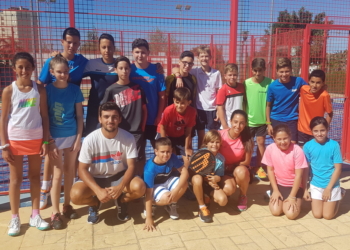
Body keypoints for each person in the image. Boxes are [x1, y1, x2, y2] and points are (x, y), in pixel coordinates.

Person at [70, 102, 146, 224]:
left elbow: (132, 166)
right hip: (96, 177)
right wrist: (98, 190)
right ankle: (95, 203)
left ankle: (122, 201)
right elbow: (82, 169)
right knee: (75, 196)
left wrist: (120, 187)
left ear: (119, 119)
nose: (110, 120)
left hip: (119, 176)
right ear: (100, 119)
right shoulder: (90, 139)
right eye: (106, 116)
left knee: (140, 187)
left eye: (114, 117)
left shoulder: (128, 137)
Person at [0, 52, 50, 236]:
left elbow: (45, 116)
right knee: (15, 180)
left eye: (27, 67)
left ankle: (35, 215)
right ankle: (15, 218)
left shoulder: (40, 90)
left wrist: (45, 141)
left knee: (35, 177)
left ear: (33, 69)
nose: (24, 70)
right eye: (20, 67)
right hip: (15, 141)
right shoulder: (9, 91)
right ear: (14, 69)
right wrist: (4, 146)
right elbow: (3, 119)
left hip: (36, 140)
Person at [38, 27, 88, 209]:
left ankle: (67, 200)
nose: (72, 45)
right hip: (54, 120)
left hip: (71, 120)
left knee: (67, 165)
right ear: (62, 42)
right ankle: (45, 189)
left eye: (75, 42)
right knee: (51, 159)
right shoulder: (51, 61)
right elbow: (40, 84)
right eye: (69, 42)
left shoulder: (82, 62)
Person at [45, 55, 84, 229]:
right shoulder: (47, 91)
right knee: (57, 174)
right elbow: (43, 117)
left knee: (70, 172)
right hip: (54, 138)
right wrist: (49, 141)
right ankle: (55, 212)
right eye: (59, 72)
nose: (63, 75)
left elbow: (79, 116)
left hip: (71, 136)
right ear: (52, 72)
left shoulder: (75, 90)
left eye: (66, 72)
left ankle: (66, 205)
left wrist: (78, 138)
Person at [101, 56, 148, 176]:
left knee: (138, 158)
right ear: (115, 70)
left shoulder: (138, 88)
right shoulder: (111, 90)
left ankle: (139, 182)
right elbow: (104, 111)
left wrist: (142, 127)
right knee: (120, 159)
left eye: (126, 68)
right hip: (119, 131)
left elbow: (144, 109)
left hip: (136, 131)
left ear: (130, 69)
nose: (124, 71)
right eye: (121, 68)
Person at [174, 46, 222, 146]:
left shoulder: (216, 73)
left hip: (212, 109)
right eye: (202, 56)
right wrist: (178, 77)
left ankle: (211, 157)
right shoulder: (194, 71)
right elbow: (176, 68)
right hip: (199, 109)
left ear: (210, 57)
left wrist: (218, 109)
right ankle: (201, 156)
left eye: (206, 56)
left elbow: (219, 92)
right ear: (198, 58)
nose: (204, 58)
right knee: (201, 136)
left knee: (212, 137)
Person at [262, 124, 308, 220]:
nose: (282, 142)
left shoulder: (297, 150)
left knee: (291, 214)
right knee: (276, 212)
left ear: (290, 136)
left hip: (294, 186)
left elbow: (299, 176)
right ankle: (271, 194)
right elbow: (270, 170)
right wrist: (275, 190)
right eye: (279, 139)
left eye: (285, 138)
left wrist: (292, 196)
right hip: (279, 185)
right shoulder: (270, 149)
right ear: (274, 138)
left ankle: (296, 199)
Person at [143, 137, 189, 231]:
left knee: (184, 184)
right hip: (154, 187)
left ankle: (171, 205)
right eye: (162, 152)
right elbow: (148, 192)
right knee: (166, 198)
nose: (166, 154)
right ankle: (151, 206)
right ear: (156, 151)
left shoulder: (172, 157)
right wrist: (149, 218)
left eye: (168, 151)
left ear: (171, 150)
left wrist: (176, 190)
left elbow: (185, 172)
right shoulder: (150, 168)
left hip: (167, 181)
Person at [303, 117, 343, 220]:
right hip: (316, 184)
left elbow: (338, 169)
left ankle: (340, 195)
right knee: (317, 215)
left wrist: (329, 188)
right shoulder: (307, 146)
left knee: (327, 216)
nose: (319, 134)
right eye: (316, 131)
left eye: (322, 130)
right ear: (311, 131)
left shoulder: (334, 145)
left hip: (331, 184)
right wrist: (305, 189)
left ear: (328, 129)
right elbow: (305, 169)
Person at [129, 38, 166, 147]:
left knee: (157, 147)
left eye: (143, 52)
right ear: (132, 53)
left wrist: (159, 116)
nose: (140, 55)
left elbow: (162, 96)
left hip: (153, 117)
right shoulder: (128, 70)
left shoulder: (156, 70)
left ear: (148, 53)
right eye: (137, 52)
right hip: (135, 118)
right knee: (138, 149)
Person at [83, 33, 119, 135]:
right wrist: (58, 58)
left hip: (114, 110)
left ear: (114, 48)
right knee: (92, 137)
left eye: (109, 47)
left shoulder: (120, 64)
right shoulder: (91, 64)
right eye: (104, 47)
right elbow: (72, 75)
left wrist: (156, 67)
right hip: (94, 108)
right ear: (99, 48)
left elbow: (137, 71)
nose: (107, 50)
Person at [218, 110, 253, 212]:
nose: (238, 125)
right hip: (222, 170)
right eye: (235, 122)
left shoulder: (247, 139)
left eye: (242, 123)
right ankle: (223, 190)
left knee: (241, 172)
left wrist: (232, 165)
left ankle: (243, 196)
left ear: (245, 124)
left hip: (237, 169)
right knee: (228, 190)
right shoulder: (220, 135)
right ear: (230, 121)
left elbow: (247, 161)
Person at [244, 58, 273, 179]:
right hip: (249, 121)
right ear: (252, 70)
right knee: (249, 145)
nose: (257, 73)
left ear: (264, 70)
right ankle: (247, 167)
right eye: (255, 70)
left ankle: (260, 167)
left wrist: (268, 121)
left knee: (261, 143)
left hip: (263, 121)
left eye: (260, 70)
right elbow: (244, 101)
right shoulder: (246, 83)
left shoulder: (270, 82)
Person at [266, 57, 307, 143]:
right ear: (277, 71)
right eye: (281, 72)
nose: (284, 74)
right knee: (279, 144)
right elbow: (268, 106)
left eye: (287, 71)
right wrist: (268, 124)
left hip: (292, 119)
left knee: (292, 143)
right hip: (276, 119)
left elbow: (310, 90)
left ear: (291, 70)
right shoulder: (272, 86)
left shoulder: (298, 81)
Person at [191, 130, 227, 223]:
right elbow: (193, 172)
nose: (214, 144)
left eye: (217, 142)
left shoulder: (221, 158)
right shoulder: (200, 154)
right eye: (211, 142)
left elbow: (220, 176)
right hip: (199, 183)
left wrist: (216, 178)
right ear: (206, 143)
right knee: (197, 178)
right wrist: (205, 179)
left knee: (223, 201)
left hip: (211, 184)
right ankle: (202, 207)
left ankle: (207, 197)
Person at [157, 87, 196, 167]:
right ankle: (170, 172)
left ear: (189, 102)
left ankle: (186, 174)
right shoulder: (168, 110)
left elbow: (188, 132)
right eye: (177, 102)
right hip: (166, 133)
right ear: (174, 100)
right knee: (169, 155)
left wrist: (187, 148)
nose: (179, 105)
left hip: (179, 134)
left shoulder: (192, 112)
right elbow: (163, 127)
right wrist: (166, 145)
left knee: (188, 157)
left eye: (182, 103)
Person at [297, 70, 333, 146]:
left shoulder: (325, 95)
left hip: (316, 130)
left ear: (323, 83)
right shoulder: (303, 89)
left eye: (318, 82)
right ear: (308, 81)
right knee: (302, 154)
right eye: (312, 82)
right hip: (302, 129)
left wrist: (325, 127)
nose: (314, 85)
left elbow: (330, 114)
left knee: (314, 154)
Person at [217, 63, 244, 129]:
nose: (232, 77)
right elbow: (220, 108)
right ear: (225, 76)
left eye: (234, 75)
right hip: (228, 124)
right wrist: (224, 125)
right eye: (230, 75)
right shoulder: (223, 89)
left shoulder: (241, 87)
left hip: (239, 123)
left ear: (237, 75)